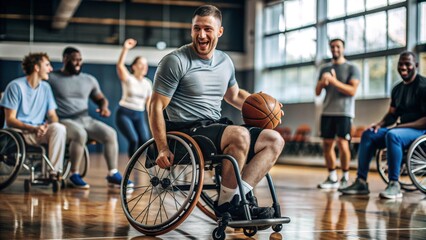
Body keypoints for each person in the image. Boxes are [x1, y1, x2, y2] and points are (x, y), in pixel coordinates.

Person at [150, 5, 284, 220]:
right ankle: (225, 205)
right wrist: (162, 147)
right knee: (239, 135)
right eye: (196, 29)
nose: (201, 35)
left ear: (219, 32)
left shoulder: (225, 61)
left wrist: (270, 107)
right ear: (191, 30)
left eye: (208, 29)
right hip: (188, 130)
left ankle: (238, 198)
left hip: (215, 126)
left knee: (274, 140)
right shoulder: (175, 61)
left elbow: (235, 96)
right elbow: (155, 106)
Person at [339, 51, 426, 199]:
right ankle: (361, 182)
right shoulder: (397, 89)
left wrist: (399, 127)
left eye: (407, 64)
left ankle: (394, 184)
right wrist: (379, 124)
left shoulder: (423, 86)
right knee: (368, 134)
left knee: (393, 135)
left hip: (419, 130)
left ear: (416, 65)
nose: (403, 67)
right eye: (400, 64)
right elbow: (392, 114)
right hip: (401, 130)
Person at [49, 47, 132, 189]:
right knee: (80, 134)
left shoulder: (89, 80)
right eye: (74, 60)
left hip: (85, 119)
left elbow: (100, 98)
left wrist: (104, 107)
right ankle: (74, 174)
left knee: (110, 134)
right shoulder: (52, 77)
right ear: (65, 59)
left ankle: (112, 173)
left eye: (80, 60)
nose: (77, 63)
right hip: (64, 119)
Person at [0, 52, 66, 179]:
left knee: (59, 128)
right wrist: (33, 128)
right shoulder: (15, 86)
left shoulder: (46, 88)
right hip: (18, 133)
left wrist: (48, 126)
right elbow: (10, 120)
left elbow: (52, 115)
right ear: (36, 67)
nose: (51, 69)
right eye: (47, 65)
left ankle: (53, 173)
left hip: (37, 131)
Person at [315, 38, 361, 190]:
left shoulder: (352, 68)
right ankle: (332, 176)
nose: (335, 49)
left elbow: (352, 91)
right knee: (327, 144)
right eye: (332, 47)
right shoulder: (324, 69)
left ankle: (345, 178)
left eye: (338, 47)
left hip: (344, 112)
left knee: (342, 144)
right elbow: (317, 92)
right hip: (327, 111)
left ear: (343, 48)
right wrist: (323, 82)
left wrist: (334, 82)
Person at [116, 38, 152, 158]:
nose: (144, 67)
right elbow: (120, 65)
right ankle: (130, 166)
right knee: (133, 139)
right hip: (124, 113)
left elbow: (148, 105)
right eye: (141, 64)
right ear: (134, 66)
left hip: (139, 114)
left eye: (146, 64)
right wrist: (125, 48)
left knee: (144, 140)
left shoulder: (148, 83)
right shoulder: (129, 79)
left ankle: (137, 164)